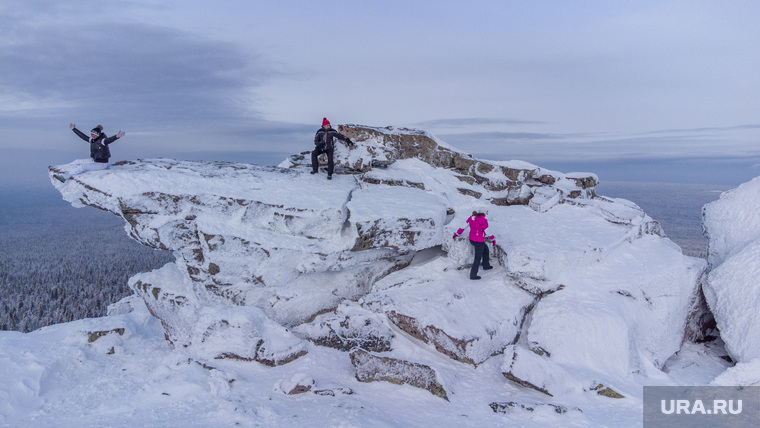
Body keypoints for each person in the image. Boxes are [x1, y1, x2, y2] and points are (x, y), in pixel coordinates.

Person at [55, 123, 125, 181]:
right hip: (95, 160)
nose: (92, 136)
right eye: (91, 134)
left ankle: (65, 177)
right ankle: (62, 169)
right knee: (77, 161)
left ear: (98, 135)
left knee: (82, 167)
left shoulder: (102, 141)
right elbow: (83, 136)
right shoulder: (92, 140)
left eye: (94, 135)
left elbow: (109, 140)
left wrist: (116, 136)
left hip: (102, 163)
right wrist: (74, 129)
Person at [452, 210, 495, 280]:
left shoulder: (471, 218)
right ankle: (473, 274)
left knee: (486, 249)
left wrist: (457, 233)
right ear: (484, 213)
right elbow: (487, 232)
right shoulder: (483, 220)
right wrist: (493, 239)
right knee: (477, 258)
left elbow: (463, 227)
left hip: (472, 239)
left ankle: (486, 265)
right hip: (479, 241)